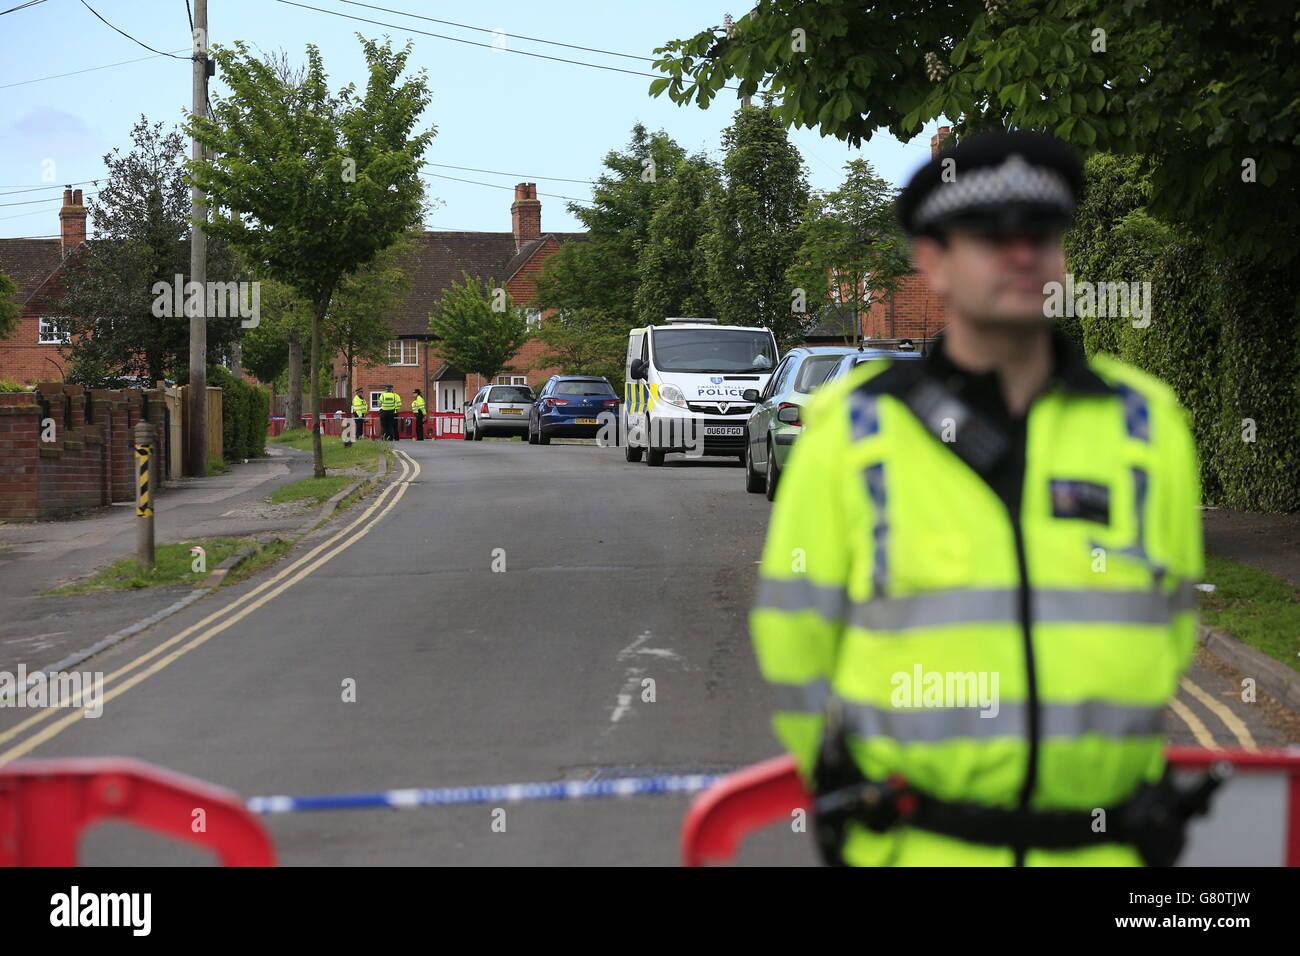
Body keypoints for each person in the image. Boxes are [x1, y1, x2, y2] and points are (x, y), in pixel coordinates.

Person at [751, 130, 1207, 867]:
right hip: (921, 848)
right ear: (931, 262)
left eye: (1041, 233)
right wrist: (833, 774)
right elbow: (794, 634)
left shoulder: (1145, 423)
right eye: (992, 236)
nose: (1023, 254)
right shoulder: (854, 430)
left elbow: (1173, 617)